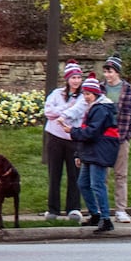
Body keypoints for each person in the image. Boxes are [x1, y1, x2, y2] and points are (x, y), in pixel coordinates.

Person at [70, 73, 121, 234]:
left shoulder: (101, 109)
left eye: (88, 94)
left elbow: (91, 132)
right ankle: (95, 214)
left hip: (100, 151)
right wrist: (78, 153)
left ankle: (106, 219)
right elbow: (86, 132)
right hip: (91, 151)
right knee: (83, 184)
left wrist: (71, 131)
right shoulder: (93, 107)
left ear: (96, 94)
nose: (85, 97)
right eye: (84, 94)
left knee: (97, 185)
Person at [42, 60, 87, 219]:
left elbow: (77, 112)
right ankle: (53, 209)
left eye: (78, 77)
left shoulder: (83, 96)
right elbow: (48, 111)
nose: (76, 80)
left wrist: (60, 113)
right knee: (54, 174)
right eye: (73, 77)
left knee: (74, 174)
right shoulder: (56, 94)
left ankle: (73, 208)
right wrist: (64, 109)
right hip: (54, 137)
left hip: (73, 138)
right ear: (67, 79)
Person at [104, 56, 131, 223]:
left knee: (121, 174)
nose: (107, 74)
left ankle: (121, 209)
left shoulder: (128, 90)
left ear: (117, 72)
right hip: (104, 138)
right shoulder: (100, 89)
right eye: (106, 71)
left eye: (110, 71)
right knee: (103, 175)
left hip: (121, 137)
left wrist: (129, 133)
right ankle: (104, 208)